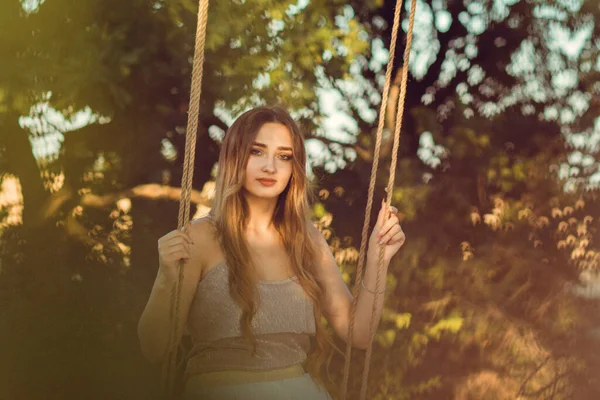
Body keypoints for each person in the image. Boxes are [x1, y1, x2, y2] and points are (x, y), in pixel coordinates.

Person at [138, 106, 406, 400]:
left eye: (284, 156)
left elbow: (360, 333)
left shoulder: (306, 240)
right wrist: (165, 277)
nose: (270, 167)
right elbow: (154, 348)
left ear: (294, 168)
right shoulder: (200, 237)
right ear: (234, 157)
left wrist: (377, 259)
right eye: (257, 152)